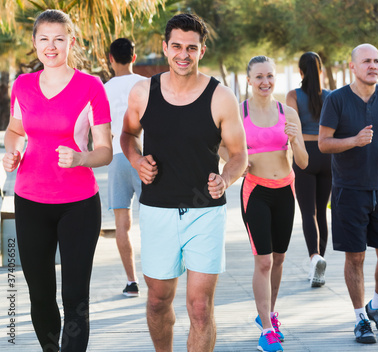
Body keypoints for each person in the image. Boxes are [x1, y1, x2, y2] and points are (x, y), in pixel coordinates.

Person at [120, 13, 247, 352]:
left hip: (205, 211)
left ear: (201, 50)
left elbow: (239, 155)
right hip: (157, 209)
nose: (183, 54)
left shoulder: (221, 97)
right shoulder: (142, 92)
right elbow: (128, 135)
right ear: (165, 47)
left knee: (201, 308)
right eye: (176, 46)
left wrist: (226, 178)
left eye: (191, 48)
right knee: (158, 301)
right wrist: (136, 160)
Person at [3, 9, 112, 351]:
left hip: (79, 204)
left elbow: (105, 150)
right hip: (30, 201)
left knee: (75, 295)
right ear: (35, 42)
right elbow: (15, 130)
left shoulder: (91, 87)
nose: (51, 46)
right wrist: (12, 152)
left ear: (71, 42)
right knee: (40, 295)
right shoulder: (21, 86)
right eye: (44, 39)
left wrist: (82, 158)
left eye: (59, 39)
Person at [318, 43, 378, 344]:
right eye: (366, 61)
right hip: (349, 191)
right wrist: (353, 140)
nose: (373, 66)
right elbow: (324, 143)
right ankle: (360, 319)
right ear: (352, 66)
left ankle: (377, 306)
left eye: (377, 60)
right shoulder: (336, 100)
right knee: (355, 257)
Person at [240, 55, 308, 352]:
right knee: (264, 260)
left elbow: (304, 163)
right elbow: (222, 147)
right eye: (259, 77)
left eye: (269, 76)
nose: (265, 82)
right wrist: (236, 162)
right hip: (256, 191)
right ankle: (266, 330)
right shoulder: (238, 113)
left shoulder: (288, 112)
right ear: (249, 80)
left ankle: (268, 315)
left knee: (279, 258)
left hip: (285, 191)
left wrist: (294, 141)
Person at [286, 52, 332, 288]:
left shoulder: (293, 96)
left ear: (301, 72)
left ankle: (314, 258)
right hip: (328, 157)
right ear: (320, 70)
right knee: (322, 212)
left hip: (304, 157)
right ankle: (319, 263)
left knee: (308, 213)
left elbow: (291, 128)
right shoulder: (331, 96)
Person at [105, 38, 145, 297]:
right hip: (144, 157)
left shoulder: (103, 89)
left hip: (117, 156)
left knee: (122, 223)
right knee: (153, 220)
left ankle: (131, 282)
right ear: (134, 57)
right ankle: (157, 278)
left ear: (110, 59)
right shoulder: (145, 85)